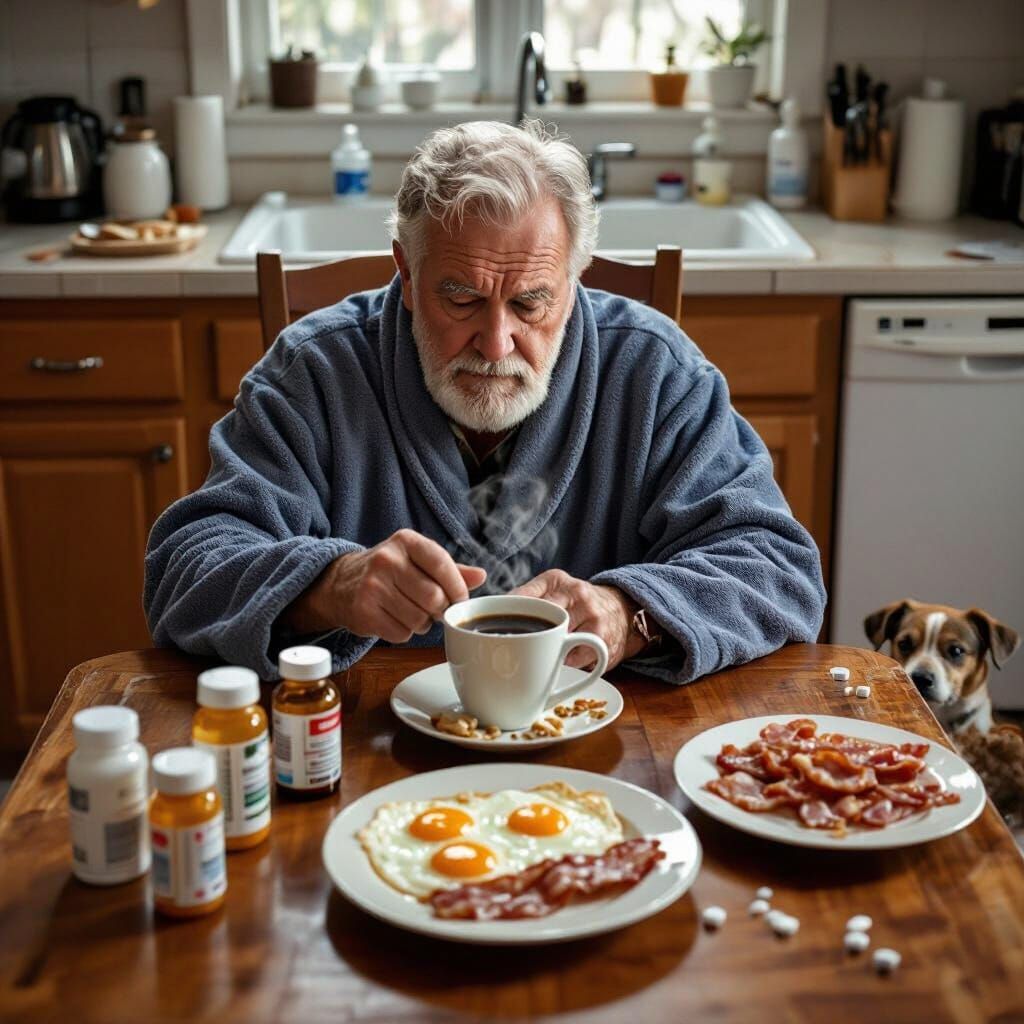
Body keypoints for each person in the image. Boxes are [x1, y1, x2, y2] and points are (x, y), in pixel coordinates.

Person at [144, 120, 825, 683]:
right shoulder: (314, 372)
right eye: (462, 299)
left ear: (574, 281)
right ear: (407, 273)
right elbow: (184, 570)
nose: (497, 344)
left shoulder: (656, 372)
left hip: (605, 755)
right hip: (362, 747)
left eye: (530, 303)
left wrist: (631, 613)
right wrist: (329, 585)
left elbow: (778, 567)